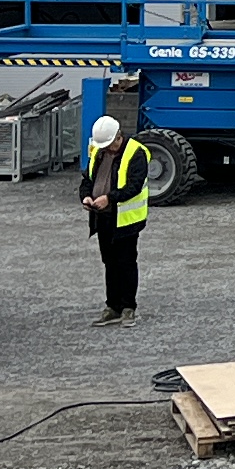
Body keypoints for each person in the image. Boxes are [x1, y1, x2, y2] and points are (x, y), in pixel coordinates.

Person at [81, 114, 154, 324]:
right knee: (109, 263)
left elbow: (134, 186)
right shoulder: (99, 152)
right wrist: (86, 196)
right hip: (102, 217)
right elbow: (88, 179)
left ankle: (128, 307)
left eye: (108, 144)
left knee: (126, 263)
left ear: (118, 138)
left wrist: (109, 198)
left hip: (126, 220)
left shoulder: (136, 153)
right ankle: (112, 306)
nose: (105, 148)